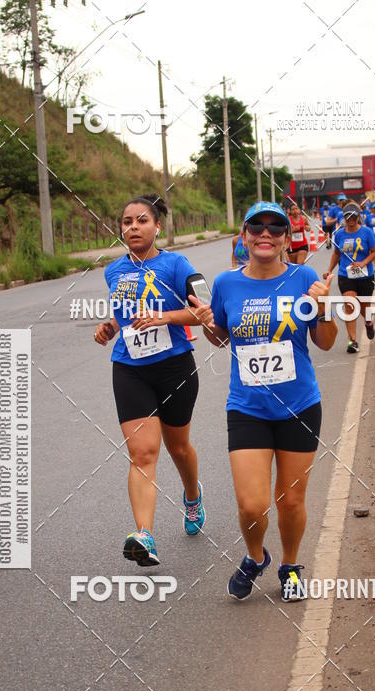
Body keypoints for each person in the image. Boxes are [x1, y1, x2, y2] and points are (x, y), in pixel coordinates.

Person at [201, 201, 338, 602]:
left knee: (291, 499)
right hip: (248, 407)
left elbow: (326, 342)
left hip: (299, 405)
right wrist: (210, 326)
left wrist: (325, 306)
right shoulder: (226, 284)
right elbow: (223, 338)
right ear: (243, 236)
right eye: (256, 226)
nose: (266, 233)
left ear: (285, 238)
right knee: (251, 505)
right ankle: (256, 556)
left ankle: (290, 565)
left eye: (275, 228)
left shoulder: (305, 278)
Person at [94, 194, 212, 566]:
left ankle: (192, 497)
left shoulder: (176, 264)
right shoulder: (114, 271)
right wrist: (110, 327)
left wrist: (164, 317)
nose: (133, 227)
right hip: (129, 368)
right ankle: (144, 535)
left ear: (157, 226)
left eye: (141, 220)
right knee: (142, 452)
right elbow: (123, 313)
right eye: (127, 222)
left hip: (174, 367)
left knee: (179, 448)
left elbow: (204, 314)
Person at [325, 200, 375, 353]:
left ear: (358, 217)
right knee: (350, 305)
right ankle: (353, 341)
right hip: (346, 275)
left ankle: (368, 323)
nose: (350, 220)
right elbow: (336, 254)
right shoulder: (340, 234)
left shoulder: (367, 232)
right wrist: (329, 270)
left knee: (364, 308)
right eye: (348, 217)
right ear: (344, 217)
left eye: (353, 217)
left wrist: (363, 262)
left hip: (365, 276)